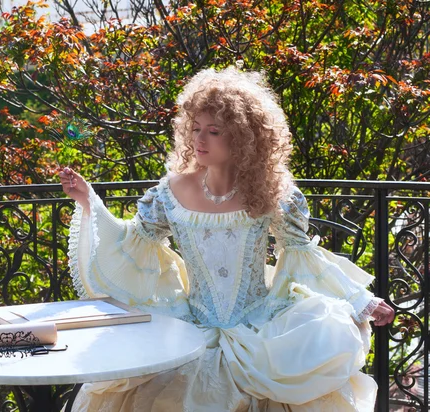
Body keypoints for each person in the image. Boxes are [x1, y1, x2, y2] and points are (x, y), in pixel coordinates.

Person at [58, 67, 395, 411]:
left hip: (259, 334)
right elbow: (132, 242)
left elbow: (302, 255)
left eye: (214, 131)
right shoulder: (170, 193)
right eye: (195, 129)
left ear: (242, 137)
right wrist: (90, 202)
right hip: (190, 329)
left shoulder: (274, 194)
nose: (200, 140)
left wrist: (358, 299)